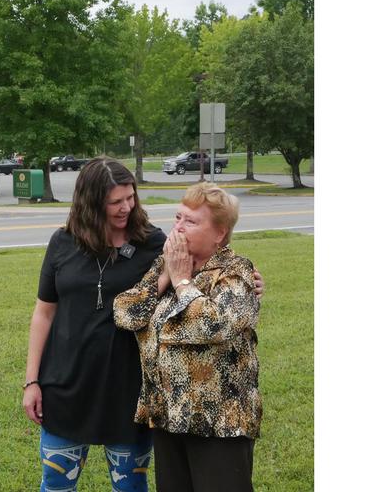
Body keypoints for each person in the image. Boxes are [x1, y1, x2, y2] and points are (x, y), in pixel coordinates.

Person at [23, 158, 262, 492]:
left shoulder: (164, 247)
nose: (126, 207)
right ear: (92, 203)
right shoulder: (67, 243)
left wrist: (199, 282)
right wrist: (32, 380)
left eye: (130, 197)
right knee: (56, 483)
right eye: (115, 201)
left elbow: (212, 307)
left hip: (165, 404)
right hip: (92, 393)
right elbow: (101, 311)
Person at [114, 183, 261, 492]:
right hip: (168, 417)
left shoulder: (236, 272)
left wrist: (181, 281)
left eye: (191, 222)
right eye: (178, 217)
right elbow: (125, 313)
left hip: (218, 423)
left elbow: (215, 325)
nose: (178, 228)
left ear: (219, 233)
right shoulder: (165, 265)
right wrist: (166, 276)